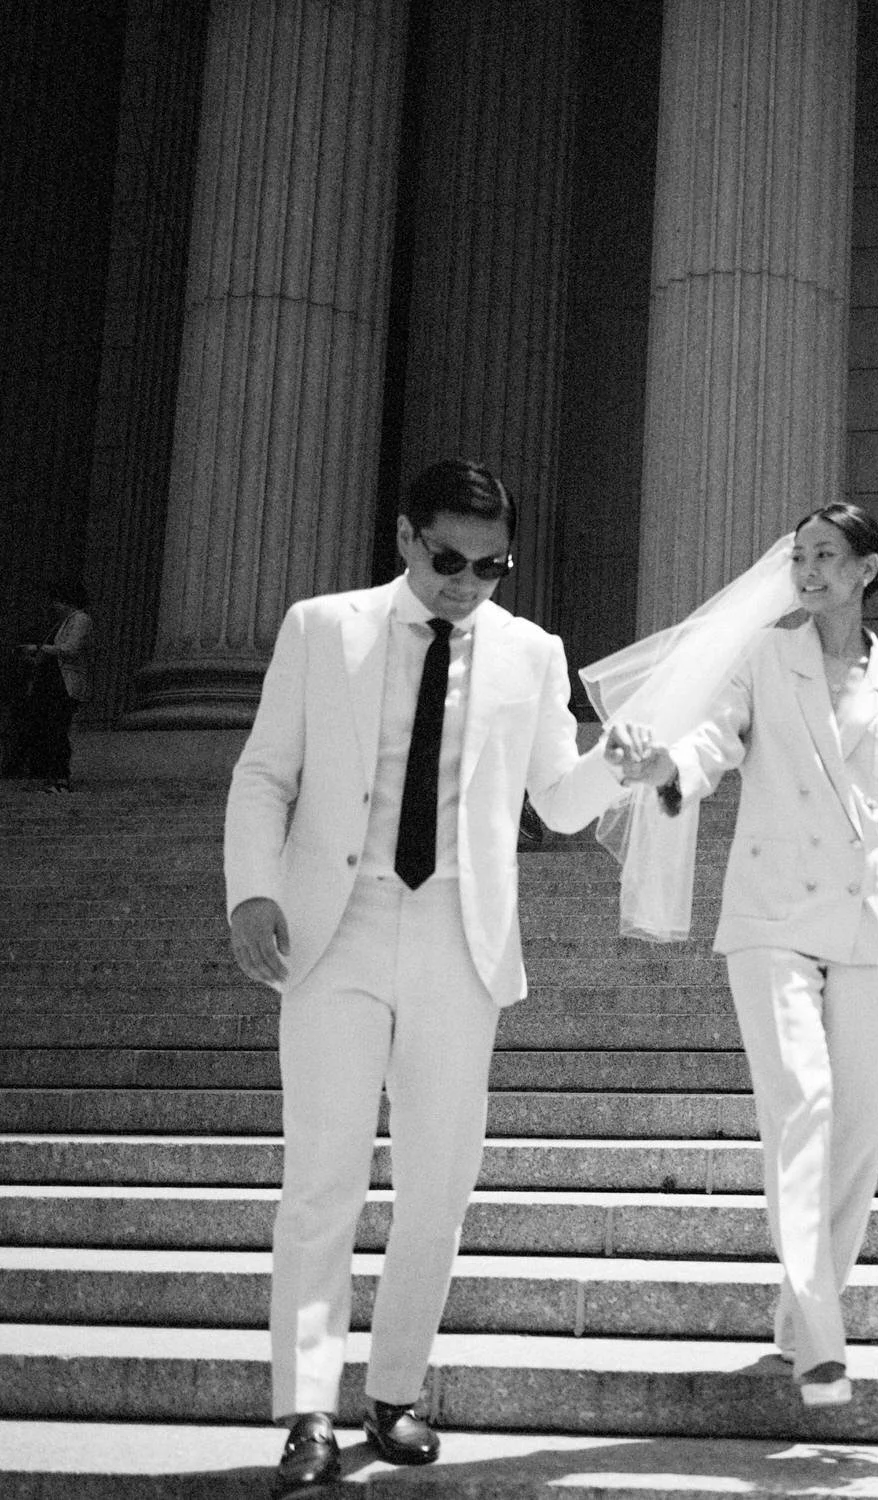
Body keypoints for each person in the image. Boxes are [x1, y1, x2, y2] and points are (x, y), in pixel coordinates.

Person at [224, 458, 661, 1494]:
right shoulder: (319, 627)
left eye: (494, 564)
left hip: (460, 942)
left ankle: (396, 1390)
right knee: (322, 1179)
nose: (469, 582)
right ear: (405, 538)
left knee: (437, 1186)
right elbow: (264, 774)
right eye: (451, 559)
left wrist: (616, 763)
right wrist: (251, 890)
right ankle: (306, 1411)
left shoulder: (532, 652)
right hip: (336, 930)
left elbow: (555, 804)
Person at [616, 502, 878, 1409]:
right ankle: (820, 1334)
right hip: (769, 913)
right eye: (801, 554)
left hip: (865, 919)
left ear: (867, 568)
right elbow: (714, 740)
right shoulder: (766, 656)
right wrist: (667, 770)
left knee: (858, 1130)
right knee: (801, 1104)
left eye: (826, 556)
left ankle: (801, 1317)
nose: (806, 569)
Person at [17, 579, 92, 792]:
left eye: (56, 601)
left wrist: (39, 647)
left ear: (66, 601)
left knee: (57, 728)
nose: (53, 606)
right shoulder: (63, 623)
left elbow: (71, 649)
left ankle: (61, 778)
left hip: (64, 684)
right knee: (46, 728)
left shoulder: (80, 619)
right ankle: (50, 776)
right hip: (52, 682)